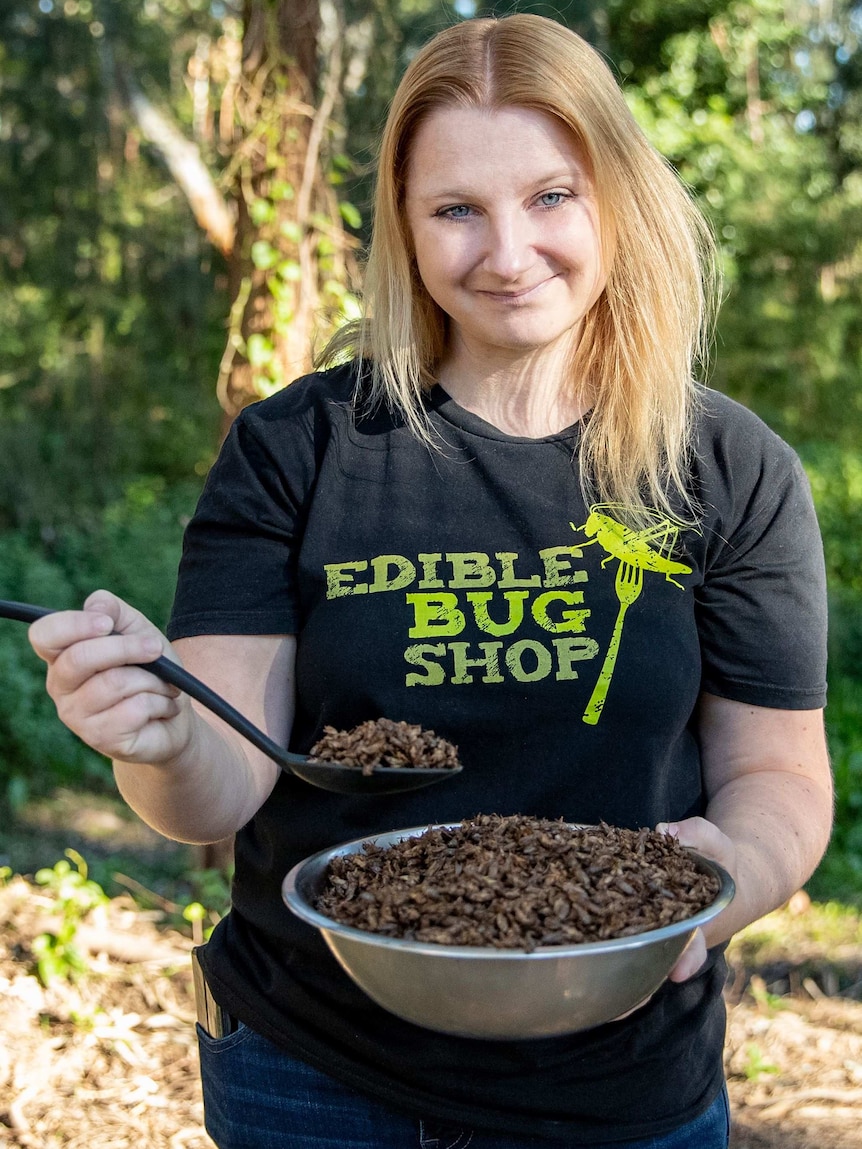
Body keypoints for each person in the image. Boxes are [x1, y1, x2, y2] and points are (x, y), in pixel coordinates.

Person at [29, 13, 832, 1149]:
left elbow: (777, 775)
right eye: (456, 209)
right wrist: (154, 737)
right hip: (313, 1070)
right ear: (405, 230)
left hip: (620, 1080)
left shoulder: (726, 466)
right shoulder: (298, 446)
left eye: (551, 196)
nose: (507, 253)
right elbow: (217, 785)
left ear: (619, 196)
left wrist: (728, 874)